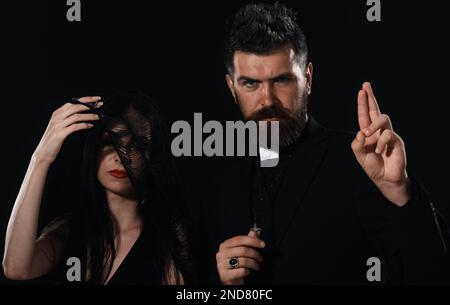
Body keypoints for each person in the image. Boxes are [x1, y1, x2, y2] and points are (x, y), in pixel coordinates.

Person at [195, 3, 449, 284]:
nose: (267, 100)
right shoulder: (217, 179)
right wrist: (221, 280)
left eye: (281, 80)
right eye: (251, 84)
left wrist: (400, 191)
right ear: (232, 88)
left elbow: (435, 273)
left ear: (308, 78)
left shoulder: (359, 162)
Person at [3, 91, 192, 284]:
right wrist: (40, 158)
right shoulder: (68, 230)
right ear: (94, 147)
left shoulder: (170, 241)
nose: (120, 157)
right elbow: (16, 267)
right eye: (110, 141)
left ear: (153, 155)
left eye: (137, 144)